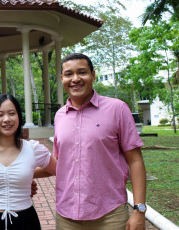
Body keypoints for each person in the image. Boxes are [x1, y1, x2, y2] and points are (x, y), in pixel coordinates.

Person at [54, 53, 146, 230]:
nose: (75, 79)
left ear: (93, 75)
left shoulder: (117, 109)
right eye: (68, 74)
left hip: (109, 215)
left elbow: (135, 161)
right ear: (62, 78)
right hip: (66, 216)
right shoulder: (60, 116)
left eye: (82, 72)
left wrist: (139, 210)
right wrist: (22, 174)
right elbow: (59, 162)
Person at [0, 94, 56, 230]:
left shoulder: (34, 149)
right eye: (0, 115)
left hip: (26, 222)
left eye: (12, 113)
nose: (6, 119)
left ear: (19, 116)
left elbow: (59, 171)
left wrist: (27, 175)